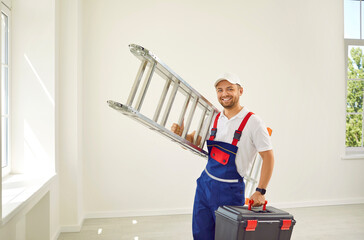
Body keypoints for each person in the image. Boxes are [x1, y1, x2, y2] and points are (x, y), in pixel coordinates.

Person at [171, 72, 274, 240]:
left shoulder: (253, 122)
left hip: (230, 192)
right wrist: (182, 135)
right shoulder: (214, 118)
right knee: (201, 234)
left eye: (229, 89)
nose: (224, 94)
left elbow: (269, 157)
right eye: (220, 90)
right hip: (205, 185)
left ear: (240, 91)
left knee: (227, 236)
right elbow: (194, 141)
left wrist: (260, 191)